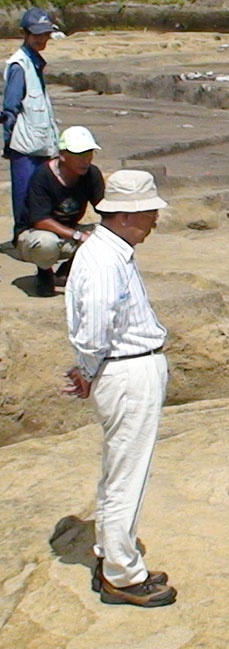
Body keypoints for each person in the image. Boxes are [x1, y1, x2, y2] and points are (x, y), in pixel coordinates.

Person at [63, 170, 176, 608]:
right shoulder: (104, 260)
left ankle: (110, 553)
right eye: (149, 214)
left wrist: (91, 368)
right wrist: (89, 371)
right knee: (127, 474)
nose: (154, 222)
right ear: (126, 215)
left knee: (118, 470)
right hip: (127, 371)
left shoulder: (110, 252)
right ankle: (123, 576)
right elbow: (95, 327)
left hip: (124, 367)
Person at [13, 125, 104, 296]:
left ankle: (67, 270)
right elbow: (40, 220)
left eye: (89, 154)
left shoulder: (92, 174)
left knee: (110, 234)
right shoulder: (43, 175)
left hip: (69, 231)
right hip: (35, 234)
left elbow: (103, 207)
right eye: (80, 156)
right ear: (63, 155)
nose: (86, 161)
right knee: (46, 243)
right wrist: (78, 236)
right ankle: (44, 271)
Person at [3, 8, 60, 244]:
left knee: (41, 195)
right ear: (25, 34)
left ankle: (35, 237)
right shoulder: (20, 65)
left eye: (45, 34)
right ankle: (22, 239)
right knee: (25, 195)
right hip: (25, 146)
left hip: (41, 144)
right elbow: (10, 108)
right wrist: (8, 142)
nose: (42, 39)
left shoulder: (34, 63)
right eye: (37, 34)